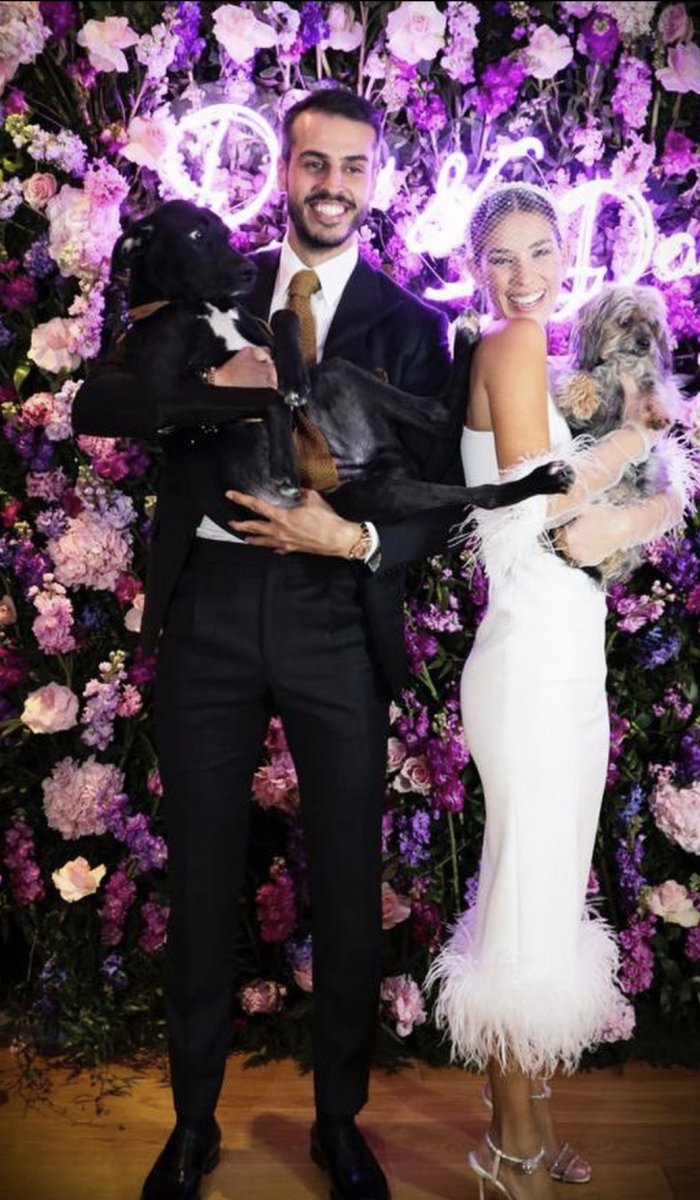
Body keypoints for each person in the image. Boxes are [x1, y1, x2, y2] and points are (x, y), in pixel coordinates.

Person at [72, 88, 462, 1200]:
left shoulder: (411, 327)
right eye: (313, 163)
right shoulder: (210, 288)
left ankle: (339, 1123)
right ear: (283, 171)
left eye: (352, 166)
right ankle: (192, 1125)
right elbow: (108, 399)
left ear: (374, 180)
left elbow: (435, 496)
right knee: (200, 874)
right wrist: (212, 391)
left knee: (346, 875)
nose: (331, 185)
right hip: (209, 610)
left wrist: (356, 537)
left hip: (333, 612)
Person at [427, 183, 691, 1200]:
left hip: (568, 667)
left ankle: (529, 1118)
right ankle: (510, 1148)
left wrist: (643, 492)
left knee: (539, 899)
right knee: (523, 916)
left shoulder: (547, 359)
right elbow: (550, 511)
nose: (524, 275)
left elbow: (589, 524)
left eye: (540, 252)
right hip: (528, 672)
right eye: (501, 256)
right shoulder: (510, 345)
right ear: (474, 266)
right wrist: (640, 456)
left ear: (566, 255)